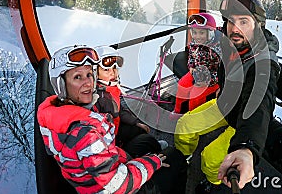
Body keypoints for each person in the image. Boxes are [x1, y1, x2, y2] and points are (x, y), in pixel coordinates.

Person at [37, 45, 187, 193]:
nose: (88, 83)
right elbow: (117, 185)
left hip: (108, 163)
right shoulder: (86, 134)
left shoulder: (58, 112)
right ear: (61, 85)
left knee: (147, 141)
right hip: (114, 187)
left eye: (89, 75)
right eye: (78, 77)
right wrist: (153, 162)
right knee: (176, 157)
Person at [174, 0, 280, 192]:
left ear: (259, 26)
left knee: (210, 158)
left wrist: (246, 148)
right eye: (230, 21)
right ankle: (182, 159)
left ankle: (215, 182)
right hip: (224, 104)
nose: (235, 28)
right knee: (184, 127)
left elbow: (259, 104)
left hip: (240, 118)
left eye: (243, 21)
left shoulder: (263, 64)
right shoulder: (229, 43)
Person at [94, 45, 167, 158]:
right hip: (111, 142)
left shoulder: (111, 89)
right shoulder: (97, 97)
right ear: (95, 73)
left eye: (114, 68)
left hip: (117, 128)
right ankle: (148, 154)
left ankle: (152, 147)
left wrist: (135, 122)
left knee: (140, 129)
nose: (112, 73)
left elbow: (119, 110)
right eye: (106, 70)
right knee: (145, 139)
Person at [173, 12, 221, 114]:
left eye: (202, 33)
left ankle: (193, 119)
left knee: (196, 96)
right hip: (196, 72)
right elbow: (191, 56)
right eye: (194, 33)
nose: (197, 36)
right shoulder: (195, 43)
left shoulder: (217, 49)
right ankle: (178, 111)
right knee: (182, 84)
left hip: (212, 78)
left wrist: (208, 80)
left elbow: (222, 70)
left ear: (210, 33)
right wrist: (191, 66)